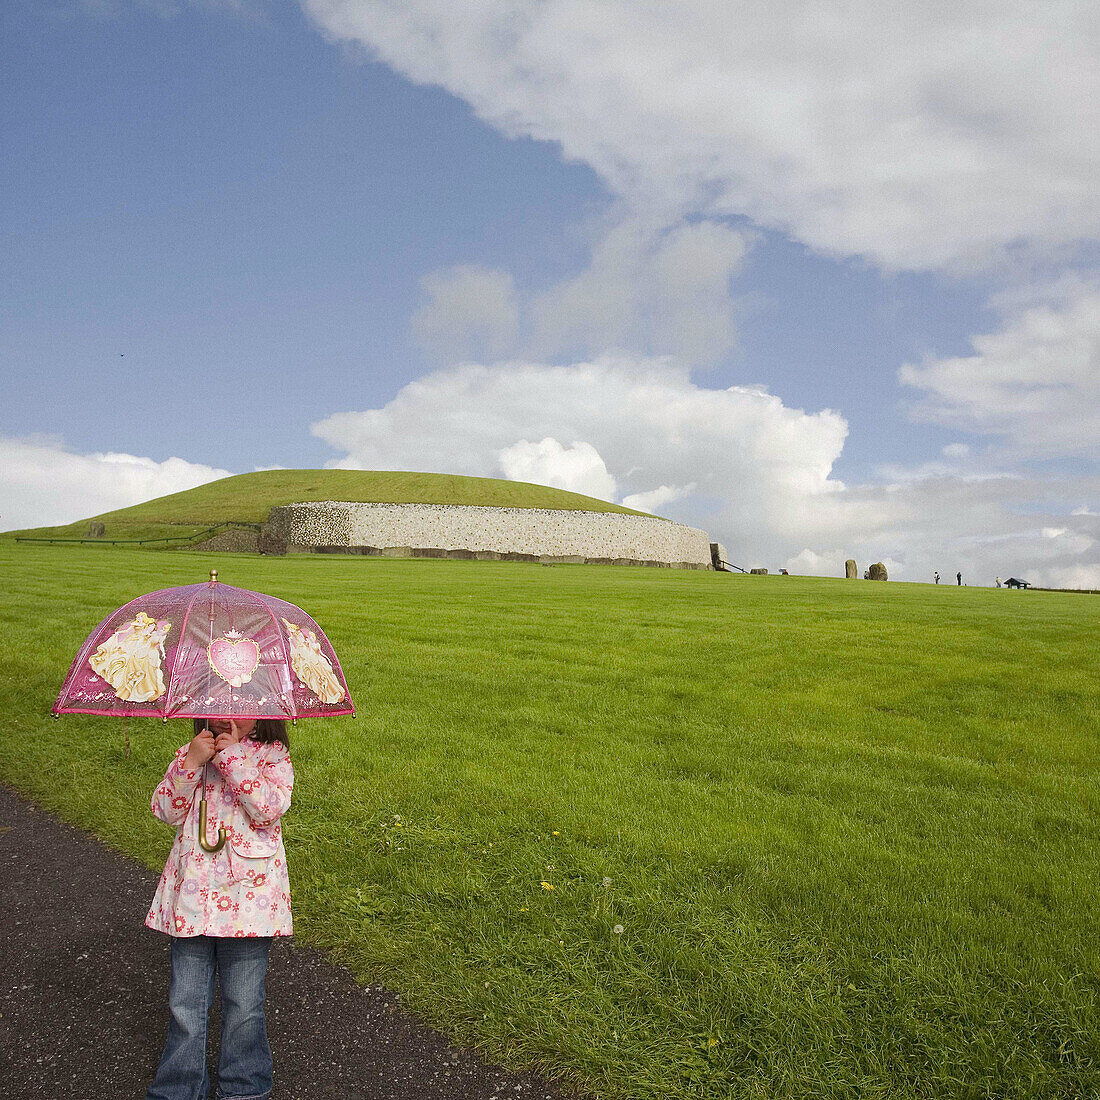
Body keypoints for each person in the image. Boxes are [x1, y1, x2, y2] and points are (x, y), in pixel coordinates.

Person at [144, 717, 294, 1100]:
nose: (228, 713)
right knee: (185, 1004)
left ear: (264, 712)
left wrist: (234, 759)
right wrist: (191, 763)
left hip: (249, 904)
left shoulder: (271, 756)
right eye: (217, 703)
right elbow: (164, 810)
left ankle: (244, 1088)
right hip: (193, 898)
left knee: (244, 1004)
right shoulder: (194, 752)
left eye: (241, 706)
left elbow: (268, 809)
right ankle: (178, 1088)